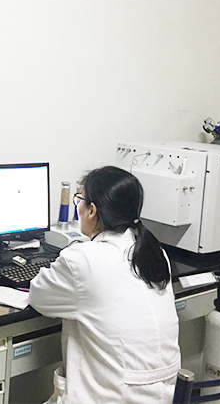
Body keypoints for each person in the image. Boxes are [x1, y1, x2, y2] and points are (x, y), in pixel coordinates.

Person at [29, 166, 180, 403]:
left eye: (79, 200)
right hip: (165, 396)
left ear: (92, 211)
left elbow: (39, 296)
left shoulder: (82, 259)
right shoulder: (154, 253)